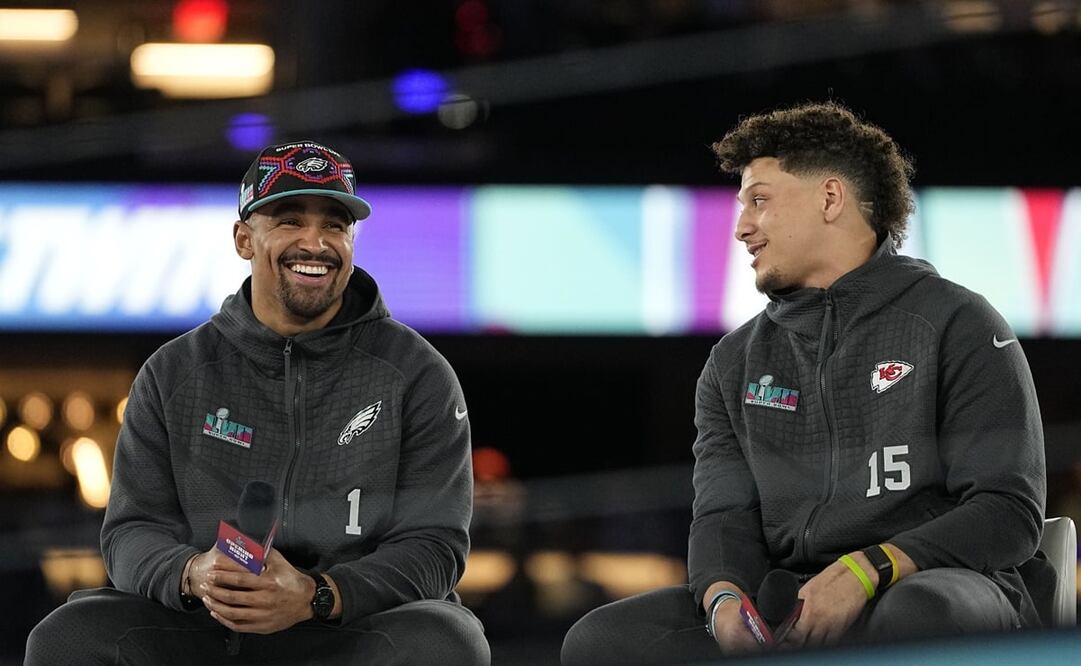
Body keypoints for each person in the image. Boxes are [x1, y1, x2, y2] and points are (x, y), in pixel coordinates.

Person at [562, 102, 1049, 663]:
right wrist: (724, 601)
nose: (743, 227)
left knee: (918, 615)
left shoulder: (958, 323)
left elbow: (1008, 512)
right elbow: (723, 520)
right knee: (602, 642)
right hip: (789, 599)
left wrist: (868, 569)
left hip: (937, 583)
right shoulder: (733, 361)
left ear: (830, 199)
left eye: (760, 200)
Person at [26, 141, 491, 665]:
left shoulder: (418, 374)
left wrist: (319, 595)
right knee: (69, 635)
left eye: (335, 225)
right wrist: (192, 574)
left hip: (347, 630)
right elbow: (132, 531)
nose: (315, 243)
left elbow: (435, 546)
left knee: (448, 640)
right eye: (289, 220)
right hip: (204, 627)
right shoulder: (173, 372)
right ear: (244, 238)